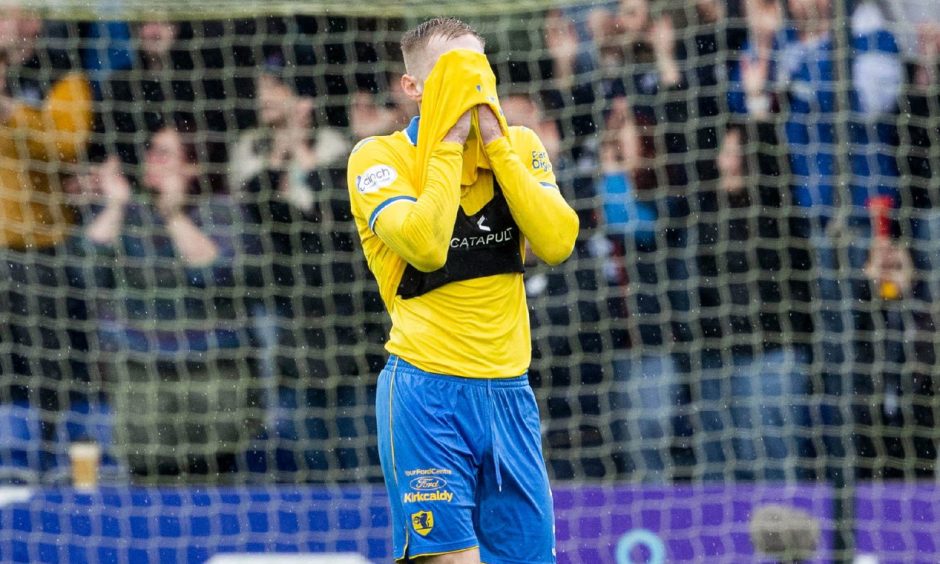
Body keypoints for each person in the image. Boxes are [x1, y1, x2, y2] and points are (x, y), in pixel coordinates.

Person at [346, 17, 578, 564]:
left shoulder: (520, 144)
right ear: (413, 87)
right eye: (458, 72)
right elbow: (425, 247)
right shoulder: (377, 159)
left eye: (483, 69)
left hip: (509, 394)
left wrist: (497, 145)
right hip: (427, 393)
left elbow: (558, 240)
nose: (476, 86)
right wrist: (449, 142)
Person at [76, 125, 256, 479]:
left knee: (211, 473)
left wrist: (173, 215)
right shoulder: (130, 213)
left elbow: (215, 272)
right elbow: (88, 270)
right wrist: (114, 204)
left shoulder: (221, 211)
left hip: (212, 371)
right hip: (142, 370)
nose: (152, 160)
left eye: (165, 153)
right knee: (147, 474)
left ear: (193, 168)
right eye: (151, 151)